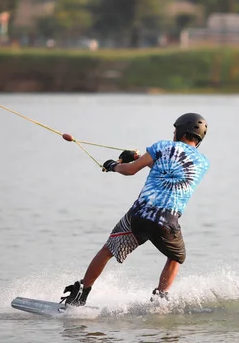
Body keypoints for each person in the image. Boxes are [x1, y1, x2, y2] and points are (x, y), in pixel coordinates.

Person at [60, 113, 210, 307]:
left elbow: (130, 170)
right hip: (167, 221)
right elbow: (169, 171)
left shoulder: (161, 146)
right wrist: (141, 157)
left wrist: (114, 166)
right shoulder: (203, 163)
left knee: (107, 251)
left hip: (138, 215)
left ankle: (81, 294)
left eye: (175, 131)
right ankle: (159, 301)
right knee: (176, 257)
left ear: (180, 131)